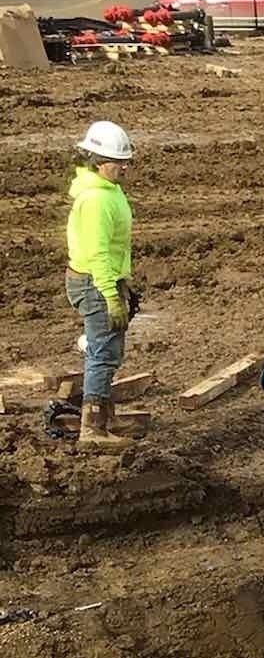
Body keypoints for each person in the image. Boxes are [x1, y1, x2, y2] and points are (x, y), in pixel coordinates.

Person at [65, 120, 137, 452]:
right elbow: (98, 253)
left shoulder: (108, 189)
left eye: (126, 161)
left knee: (110, 350)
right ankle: (92, 428)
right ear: (97, 161)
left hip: (102, 280)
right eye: (117, 161)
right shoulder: (96, 199)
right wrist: (111, 295)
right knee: (102, 353)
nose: (124, 167)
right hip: (95, 283)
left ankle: (105, 417)